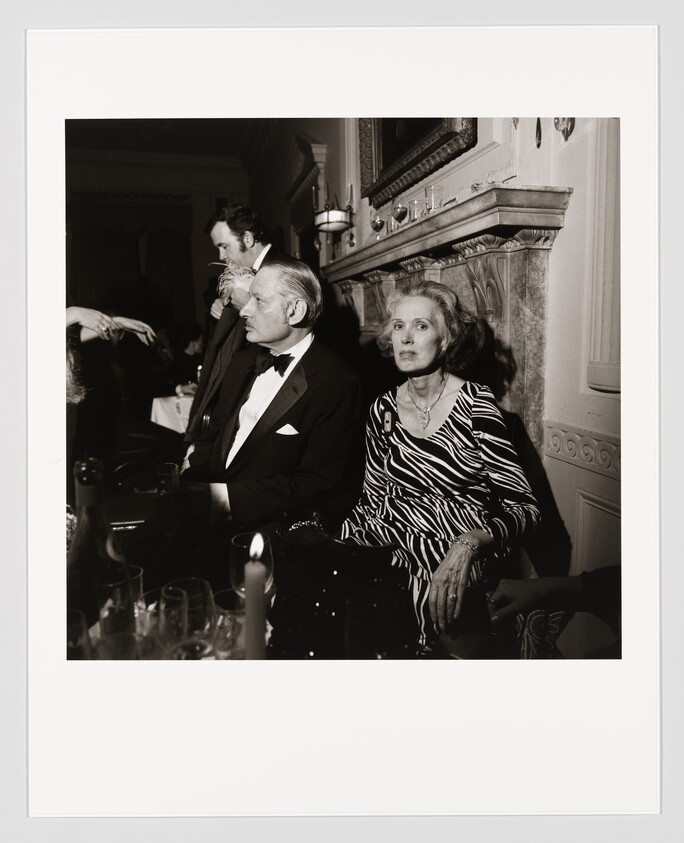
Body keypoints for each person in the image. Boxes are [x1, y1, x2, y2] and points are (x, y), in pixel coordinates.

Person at [340, 278, 540, 650]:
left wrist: (468, 544)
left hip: (456, 551)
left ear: (446, 339)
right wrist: (344, 549)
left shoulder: (476, 405)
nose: (406, 338)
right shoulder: (381, 409)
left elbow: (525, 509)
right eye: (398, 326)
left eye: (421, 326)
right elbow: (372, 501)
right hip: (392, 542)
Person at [183, 204, 280, 462]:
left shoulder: (282, 269)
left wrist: (247, 303)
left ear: (247, 238)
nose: (221, 255)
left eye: (224, 246)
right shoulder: (241, 274)